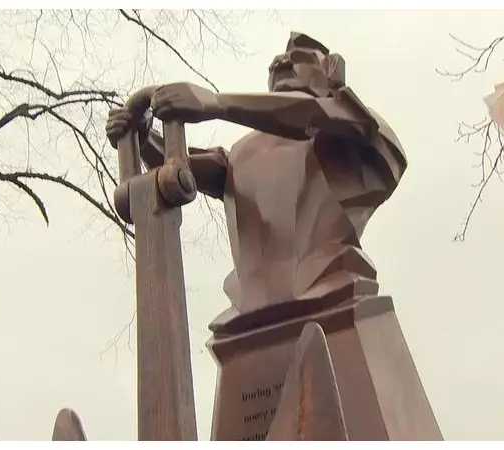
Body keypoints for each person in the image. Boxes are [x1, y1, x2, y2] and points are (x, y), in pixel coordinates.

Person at [106, 32, 408, 334]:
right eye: (278, 59)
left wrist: (217, 104)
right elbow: (178, 170)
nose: (281, 61)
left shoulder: (358, 129)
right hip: (251, 317)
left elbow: (317, 114)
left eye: (300, 56)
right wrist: (142, 139)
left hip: (331, 293)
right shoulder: (242, 152)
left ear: (331, 71)